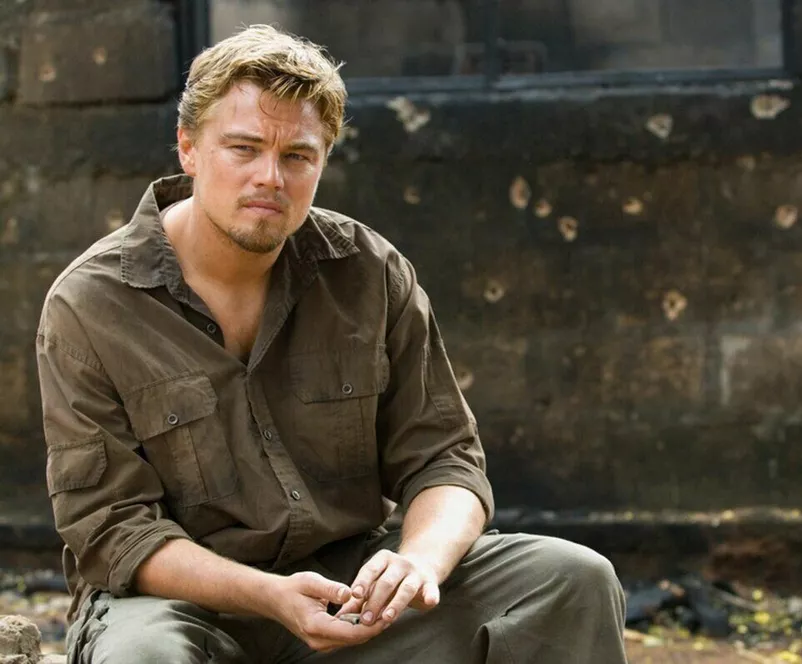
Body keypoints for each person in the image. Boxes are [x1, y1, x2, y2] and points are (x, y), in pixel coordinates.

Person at [35, 24, 627, 664]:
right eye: (243, 148)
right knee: (146, 656)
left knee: (572, 578)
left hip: (350, 593)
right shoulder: (90, 305)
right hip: (177, 603)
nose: (270, 177)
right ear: (188, 148)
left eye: (297, 156)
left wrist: (418, 564)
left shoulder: (368, 272)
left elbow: (445, 458)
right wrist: (271, 596)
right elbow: (115, 530)